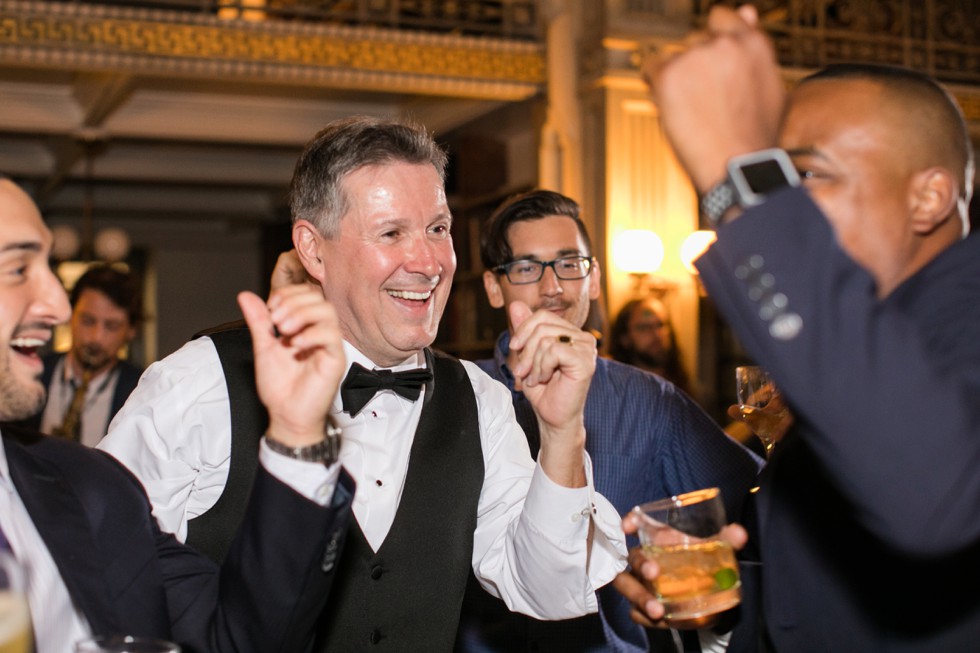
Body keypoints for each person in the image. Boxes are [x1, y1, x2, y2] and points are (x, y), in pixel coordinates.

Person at [99, 116, 628, 651]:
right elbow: (101, 573)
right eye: (392, 232)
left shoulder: (480, 399)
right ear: (312, 248)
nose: (427, 263)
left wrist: (563, 434)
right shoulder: (201, 382)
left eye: (438, 229)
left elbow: (546, 590)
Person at [616, 5, 980, 651]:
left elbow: (932, 496)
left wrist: (738, 172)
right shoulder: (854, 342)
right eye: (779, 181)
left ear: (929, 196)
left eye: (807, 174)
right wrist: (722, 599)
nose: (789, 209)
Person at [0, 175, 354, 652]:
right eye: (18, 268)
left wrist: (298, 434)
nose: (57, 307)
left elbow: (238, 640)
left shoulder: (95, 490)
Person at [455, 189, 762, 653]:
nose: (553, 286)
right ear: (495, 288)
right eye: (525, 268)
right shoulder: (459, 395)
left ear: (594, 278)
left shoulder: (648, 400)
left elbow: (751, 508)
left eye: (568, 264)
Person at [14, 264, 144, 445]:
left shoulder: (142, 392)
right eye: (87, 321)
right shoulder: (28, 375)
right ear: (69, 315)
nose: (96, 338)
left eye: (112, 326)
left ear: (131, 331)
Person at [608, 295, 694, 397]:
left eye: (660, 325)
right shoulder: (614, 392)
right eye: (644, 327)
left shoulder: (682, 390)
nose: (657, 334)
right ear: (624, 338)